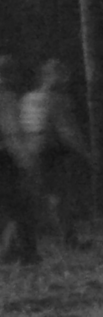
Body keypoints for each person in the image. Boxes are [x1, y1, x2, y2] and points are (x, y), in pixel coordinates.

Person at [19, 59, 93, 249]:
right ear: (50, 76)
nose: (65, 80)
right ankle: (69, 240)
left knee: (33, 197)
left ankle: (18, 243)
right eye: (61, 75)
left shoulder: (28, 98)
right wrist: (85, 152)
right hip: (50, 152)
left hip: (29, 150)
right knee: (58, 197)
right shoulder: (57, 99)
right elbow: (67, 130)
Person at [0, 55, 39, 264]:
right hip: (5, 159)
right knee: (20, 206)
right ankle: (26, 254)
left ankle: (8, 252)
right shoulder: (6, 97)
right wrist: (26, 161)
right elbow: (12, 132)